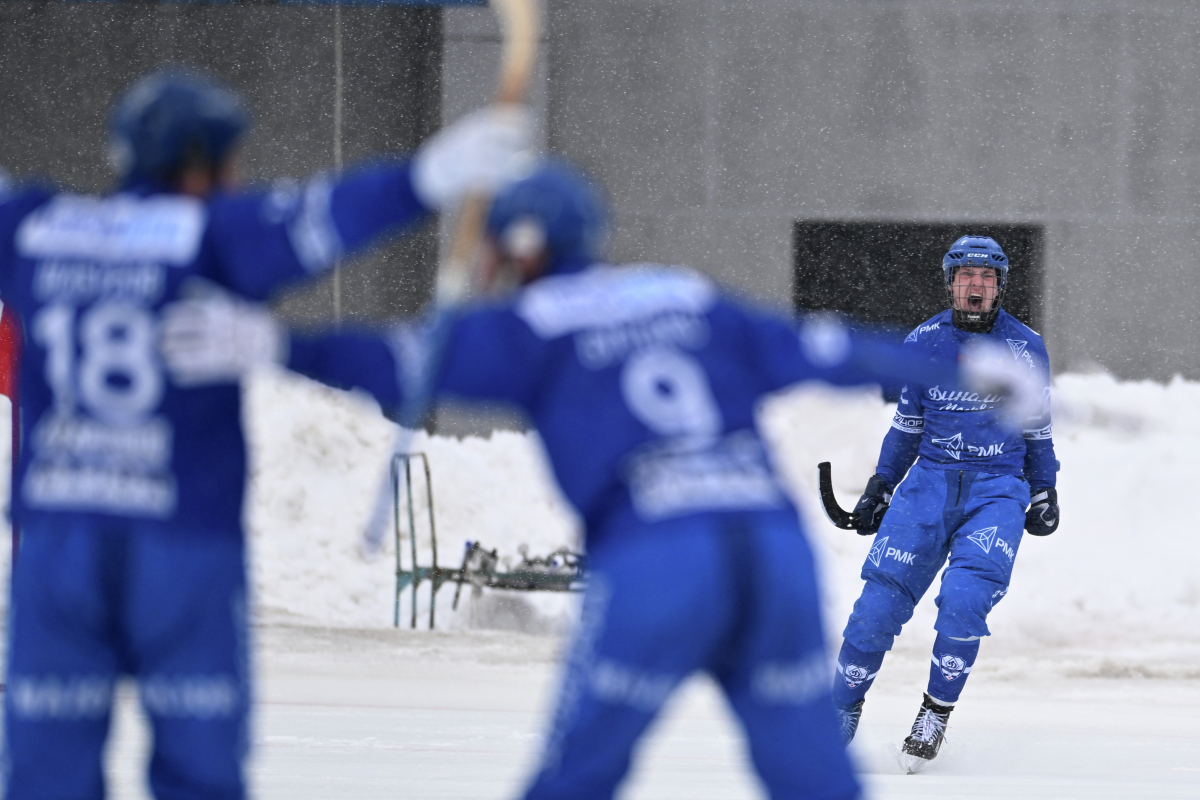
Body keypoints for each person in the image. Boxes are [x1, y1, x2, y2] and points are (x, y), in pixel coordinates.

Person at [160, 165, 1044, 799]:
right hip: (768, 549)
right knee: (812, 778)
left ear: (517, 252)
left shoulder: (529, 323)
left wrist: (275, 344)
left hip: (659, 557)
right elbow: (826, 346)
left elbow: (399, 360)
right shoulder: (685, 294)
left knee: (577, 774)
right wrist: (968, 372)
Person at [0, 67, 531, 799]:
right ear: (204, 164)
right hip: (182, 545)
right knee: (199, 773)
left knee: (45, 775)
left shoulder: (34, 228)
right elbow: (322, 219)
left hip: (59, 545)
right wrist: (426, 177)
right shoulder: (210, 235)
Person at [830, 235, 1059, 772]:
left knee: (964, 600)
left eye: (986, 278)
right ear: (951, 283)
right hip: (928, 487)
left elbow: (1038, 429)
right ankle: (839, 710)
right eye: (965, 277)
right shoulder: (924, 340)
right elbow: (906, 427)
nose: (975, 287)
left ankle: (934, 713)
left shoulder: (1025, 347)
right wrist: (880, 486)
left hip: (997, 489)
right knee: (875, 609)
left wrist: (1044, 489)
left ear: (1000, 286)